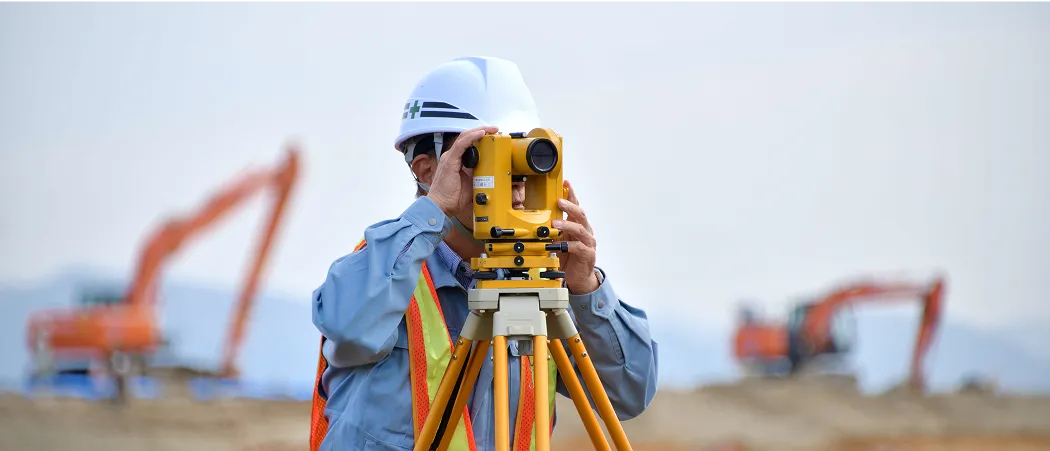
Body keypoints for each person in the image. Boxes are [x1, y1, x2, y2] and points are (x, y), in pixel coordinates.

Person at [308, 56, 659, 451]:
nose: (519, 182)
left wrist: (584, 289)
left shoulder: (539, 282)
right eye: (491, 154)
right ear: (428, 170)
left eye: (522, 154)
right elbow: (343, 321)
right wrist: (430, 213)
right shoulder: (387, 268)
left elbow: (631, 391)